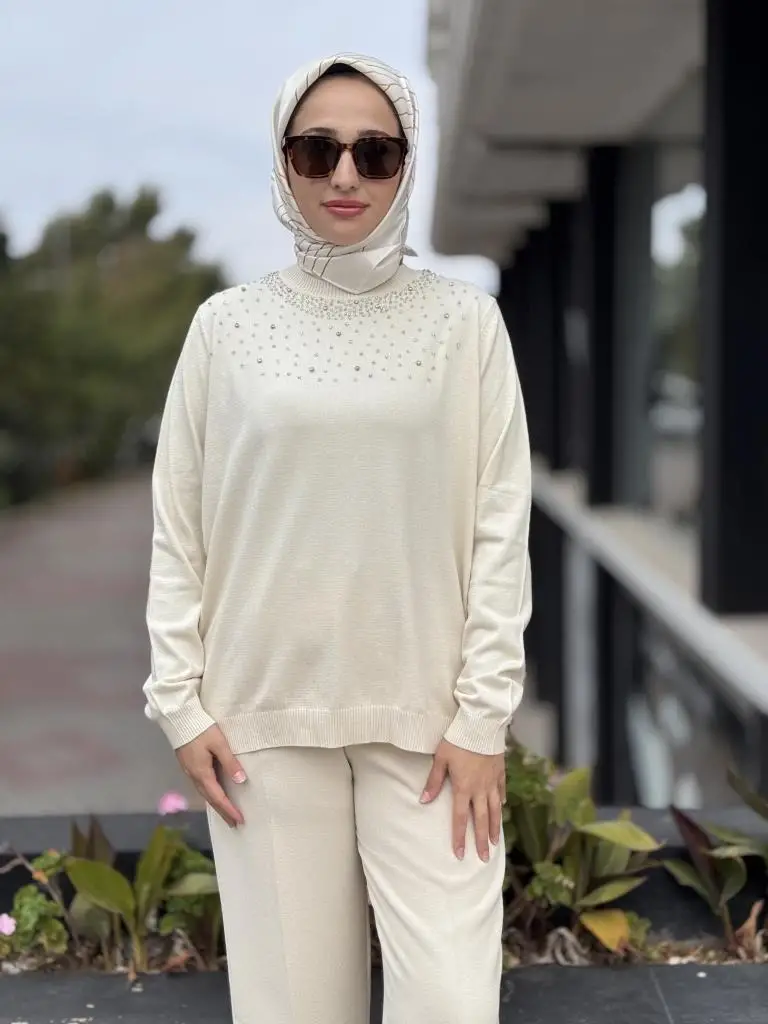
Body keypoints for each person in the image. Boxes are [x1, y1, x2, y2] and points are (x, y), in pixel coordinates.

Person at [143, 51, 532, 1024]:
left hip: (434, 730)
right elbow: (178, 523)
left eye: (375, 151)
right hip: (262, 727)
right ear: (285, 163)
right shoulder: (225, 329)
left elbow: (501, 524)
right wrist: (180, 703)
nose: (346, 174)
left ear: (407, 163)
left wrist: (482, 718)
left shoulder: (467, 325)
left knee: (451, 1004)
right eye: (317, 151)